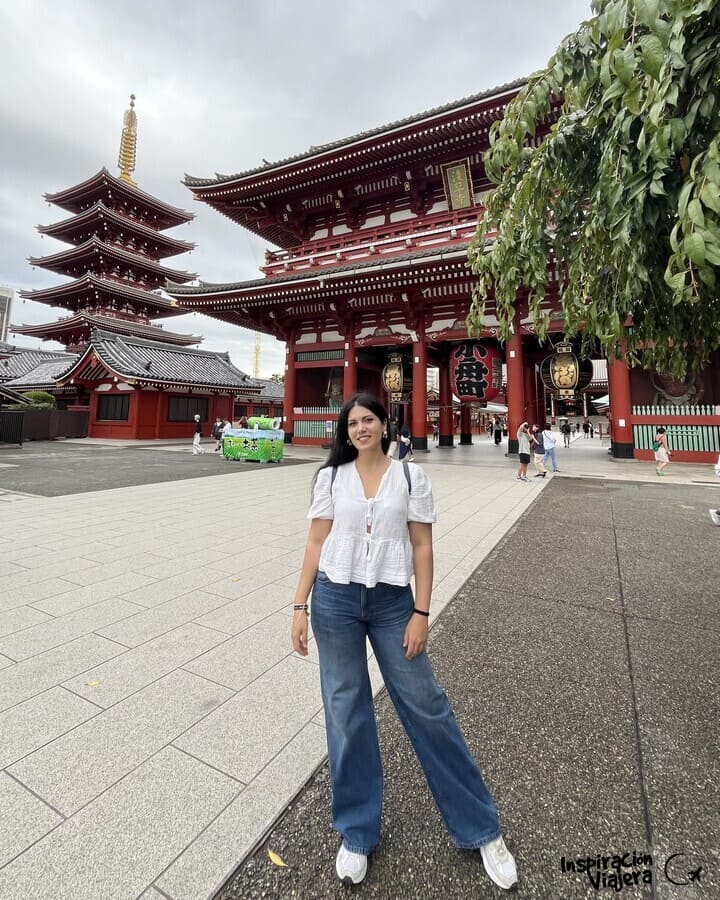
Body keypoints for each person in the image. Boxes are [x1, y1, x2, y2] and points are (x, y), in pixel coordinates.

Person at [290, 393, 517, 890]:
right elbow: (315, 541)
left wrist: (421, 612)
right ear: (344, 431)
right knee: (346, 711)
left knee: (428, 707)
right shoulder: (331, 477)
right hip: (335, 601)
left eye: (368, 419)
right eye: (352, 423)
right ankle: (356, 831)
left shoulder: (411, 477)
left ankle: (480, 828)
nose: (361, 428)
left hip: (394, 603)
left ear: (384, 424)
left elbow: (422, 544)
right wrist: (299, 605)